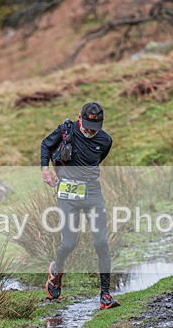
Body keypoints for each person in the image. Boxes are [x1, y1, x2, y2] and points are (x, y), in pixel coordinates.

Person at [40, 101, 121, 310]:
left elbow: (97, 159)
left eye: (94, 128)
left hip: (92, 193)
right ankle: (56, 271)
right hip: (67, 195)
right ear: (79, 118)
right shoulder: (66, 130)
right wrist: (45, 170)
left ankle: (105, 295)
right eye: (86, 126)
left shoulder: (105, 141)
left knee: (101, 242)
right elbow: (46, 145)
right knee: (69, 244)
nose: (89, 131)